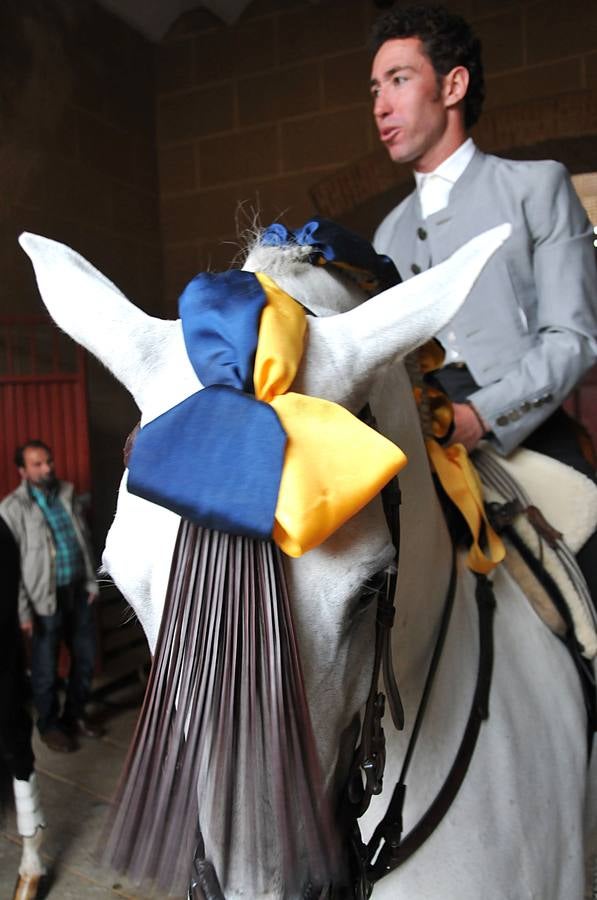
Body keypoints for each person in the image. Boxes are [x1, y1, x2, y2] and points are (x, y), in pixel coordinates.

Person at [370, 3, 597, 595]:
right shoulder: (384, 236)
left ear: (453, 84)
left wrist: (481, 416)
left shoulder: (536, 186)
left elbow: (575, 340)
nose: (380, 105)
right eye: (374, 88)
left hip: (529, 436)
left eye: (398, 79)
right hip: (424, 455)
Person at [0, 440, 103, 753]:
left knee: (85, 659)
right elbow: (10, 565)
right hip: (43, 600)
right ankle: (49, 726)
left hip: (77, 592)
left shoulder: (66, 493)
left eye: (49, 462)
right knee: (45, 669)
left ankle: (74, 716)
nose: (47, 468)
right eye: (38, 464)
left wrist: (91, 582)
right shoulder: (11, 509)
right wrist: (23, 612)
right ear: (23, 470)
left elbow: (82, 540)